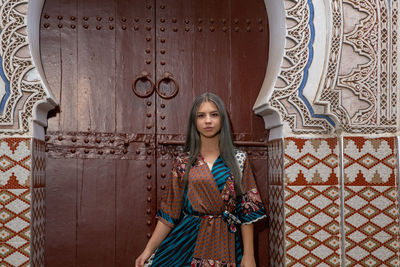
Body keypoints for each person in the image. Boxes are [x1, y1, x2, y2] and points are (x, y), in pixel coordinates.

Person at [135, 92, 266, 267]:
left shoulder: (239, 160)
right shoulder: (183, 162)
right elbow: (170, 211)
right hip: (187, 237)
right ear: (194, 122)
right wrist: (148, 250)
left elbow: (247, 210)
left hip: (223, 240)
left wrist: (249, 256)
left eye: (214, 114)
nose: (208, 121)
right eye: (201, 116)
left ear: (222, 120)